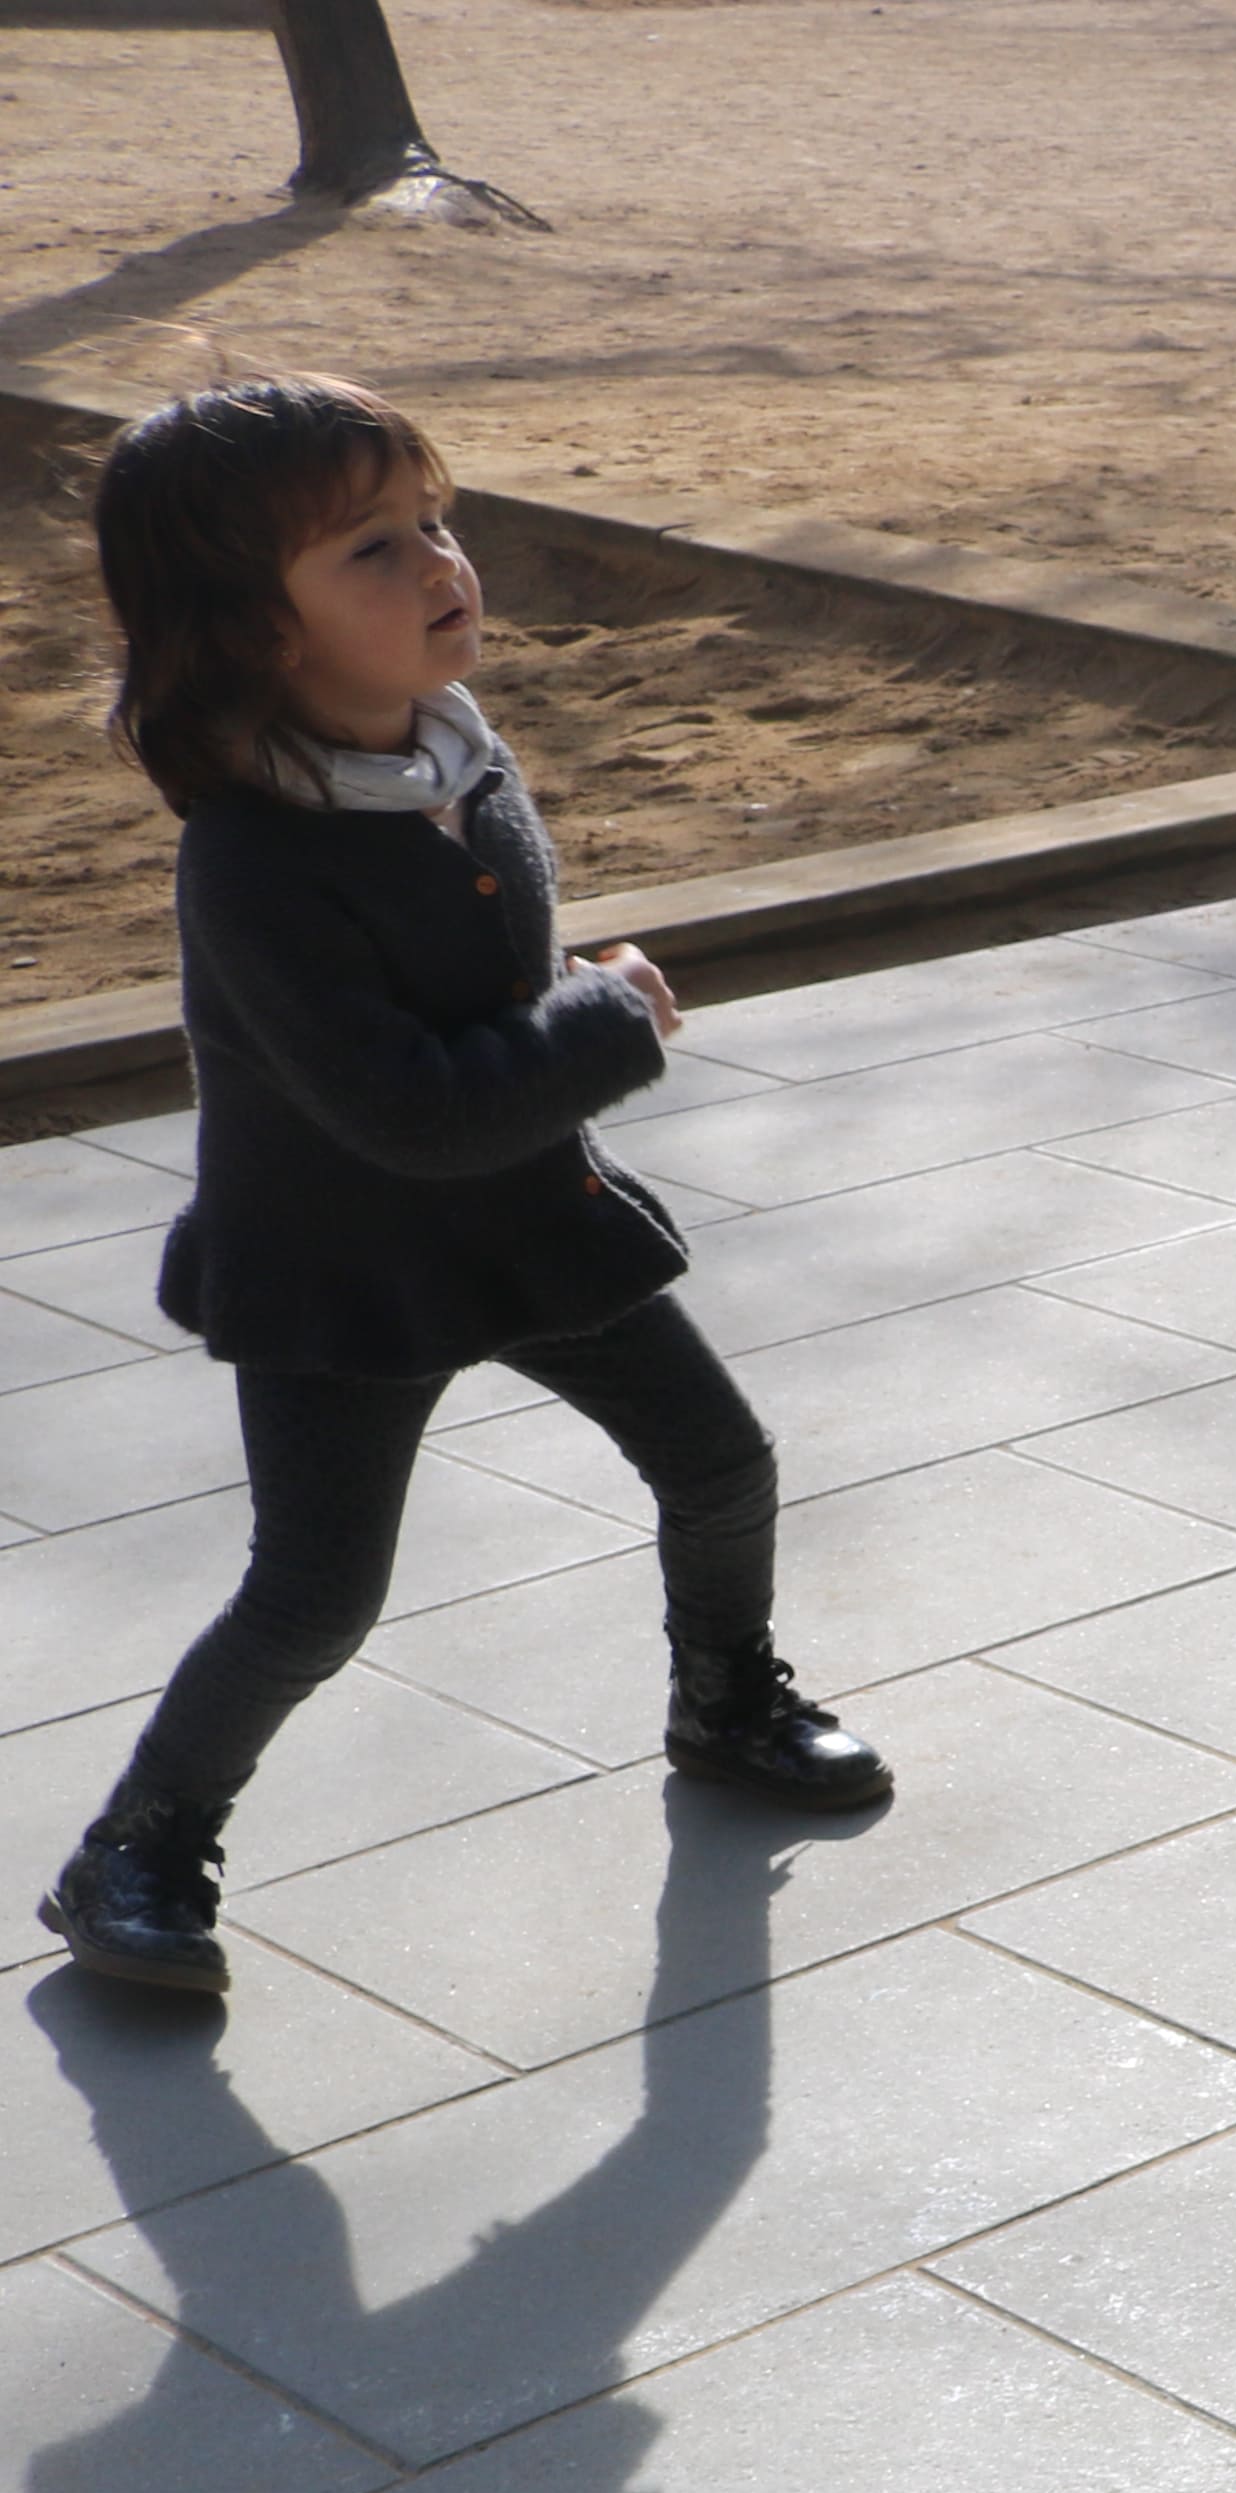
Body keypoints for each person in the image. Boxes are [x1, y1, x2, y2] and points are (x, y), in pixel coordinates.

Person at [40, 374, 882, 1998]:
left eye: (436, 521)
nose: (440, 564)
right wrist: (604, 1019)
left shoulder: (457, 760)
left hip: (531, 1226)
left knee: (721, 1465)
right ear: (253, 629)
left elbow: (480, 993)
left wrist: (561, 1007)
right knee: (313, 1598)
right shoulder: (255, 860)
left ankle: (726, 1700)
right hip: (343, 1275)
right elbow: (410, 1113)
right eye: (374, 548)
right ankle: (133, 1850)